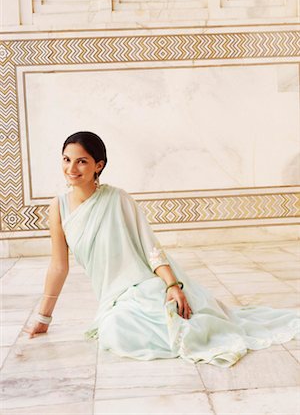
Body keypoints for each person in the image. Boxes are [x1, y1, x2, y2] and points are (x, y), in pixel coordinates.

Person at [24, 131, 300, 367]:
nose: (72, 168)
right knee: (114, 331)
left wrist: (172, 285)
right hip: (114, 297)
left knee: (177, 322)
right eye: (66, 159)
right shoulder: (57, 206)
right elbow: (59, 266)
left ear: (98, 165)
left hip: (145, 284)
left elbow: (149, 246)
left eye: (81, 161)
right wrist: (43, 317)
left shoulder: (117, 198)